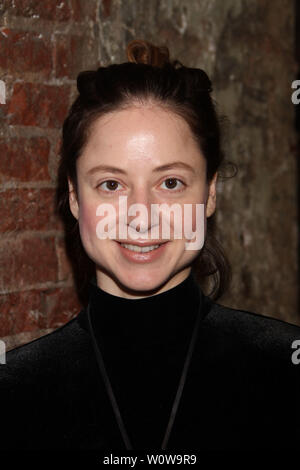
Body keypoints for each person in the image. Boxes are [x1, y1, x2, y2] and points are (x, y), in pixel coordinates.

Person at [0, 39, 300, 452]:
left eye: (171, 183)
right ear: (74, 196)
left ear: (210, 193)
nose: (141, 214)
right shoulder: (14, 394)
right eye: (111, 184)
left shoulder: (285, 371)